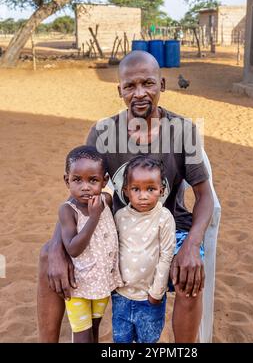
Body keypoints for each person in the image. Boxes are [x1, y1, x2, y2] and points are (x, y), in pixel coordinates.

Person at [37, 50, 214, 343]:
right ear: (120, 90)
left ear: (163, 84)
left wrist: (193, 244)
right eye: (130, 86)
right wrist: (58, 245)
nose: (140, 93)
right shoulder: (103, 132)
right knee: (48, 258)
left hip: (168, 228)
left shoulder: (184, 130)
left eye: (148, 83)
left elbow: (204, 196)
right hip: (112, 230)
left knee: (190, 274)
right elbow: (82, 195)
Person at [58, 145, 123, 343]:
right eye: (77, 180)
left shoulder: (107, 199)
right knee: (82, 335)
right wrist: (94, 218)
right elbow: (73, 249)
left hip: (102, 282)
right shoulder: (68, 211)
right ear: (67, 180)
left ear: (104, 181)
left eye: (93, 180)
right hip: (79, 286)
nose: (85, 187)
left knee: (95, 330)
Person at [112, 155, 176, 343]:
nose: (143, 195)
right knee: (121, 341)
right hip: (121, 296)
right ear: (126, 191)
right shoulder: (120, 216)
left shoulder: (164, 218)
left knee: (148, 341)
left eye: (151, 189)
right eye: (135, 189)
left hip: (149, 300)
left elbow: (166, 256)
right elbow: (114, 250)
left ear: (161, 190)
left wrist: (156, 293)